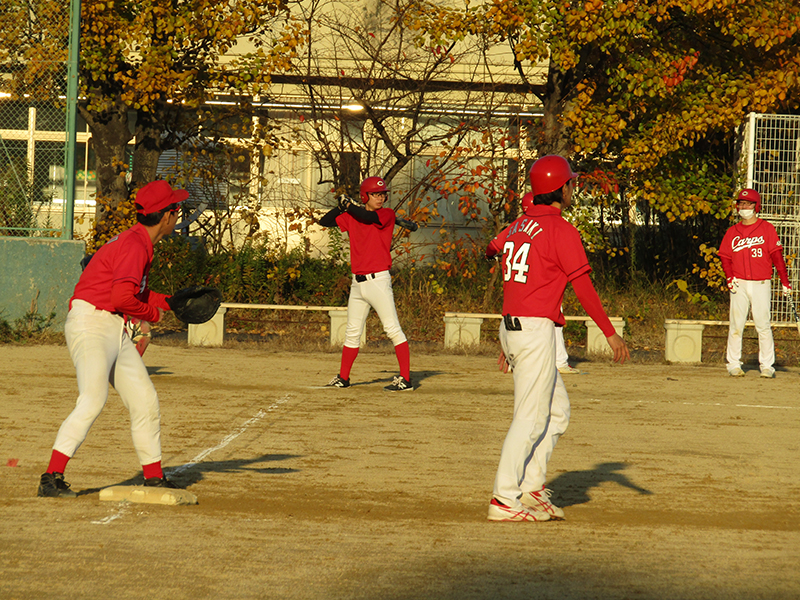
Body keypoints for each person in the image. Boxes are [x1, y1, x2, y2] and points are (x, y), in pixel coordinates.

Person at [485, 155, 630, 522]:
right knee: (530, 418)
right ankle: (504, 498)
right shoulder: (561, 230)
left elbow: (509, 274)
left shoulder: (519, 225)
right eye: (570, 183)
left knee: (556, 411)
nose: (572, 188)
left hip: (519, 325)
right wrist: (609, 332)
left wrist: (506, 340)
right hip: (533, 330)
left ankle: (531, 488)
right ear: (560, 188)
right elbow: (583, 286)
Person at [37, 180, 188, 498]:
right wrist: (155, 315)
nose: (179, 214)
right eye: (176, 209)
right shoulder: (136, 245)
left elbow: (134, 291)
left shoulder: (139, 242)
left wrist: (169, 302)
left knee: (144, 400)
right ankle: (51, 477)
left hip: (109, 327)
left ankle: (154, 477)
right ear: (166, 217)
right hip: (91, 324)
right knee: (92, 399)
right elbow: (122, 298)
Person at [319, 176, 416, 391]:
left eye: (382, 194)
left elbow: (365, 215)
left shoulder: (386, 214)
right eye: (375, 194)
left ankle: (405, 379)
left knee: (392, 329)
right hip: (358, 283)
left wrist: (350, 206)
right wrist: (340, 207)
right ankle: (343, 377)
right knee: (352, 332)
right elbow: (324, 222)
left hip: (378, 280)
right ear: (365, 196)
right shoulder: (353, 216)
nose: (380, 198)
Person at [718, 188, 791, 378]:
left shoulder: (766, 228)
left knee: (763, 325)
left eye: (748, 204)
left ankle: (767, 365)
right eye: (741, 204)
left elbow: (777, 256)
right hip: (739, 283)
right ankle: (733, 363)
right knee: (736, 325)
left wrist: (785, 281)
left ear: (756, 206)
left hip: (761, 283)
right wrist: (729, 276)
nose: (744, 207)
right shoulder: (732, 231)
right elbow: (725, 256)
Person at [522, 191, 579, 375]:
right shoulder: (549, 227)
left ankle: (524, 360)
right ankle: (559, 361)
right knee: (553, 322)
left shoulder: (520, 228)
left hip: (524, 291)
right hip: (543, 290)